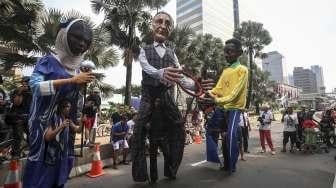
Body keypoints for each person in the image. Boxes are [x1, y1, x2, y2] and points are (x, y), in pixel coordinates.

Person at [22, 19, 94, 188]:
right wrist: (72, 80)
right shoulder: (47, 61)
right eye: (77, 37)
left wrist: (80, 85)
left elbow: (72, 99)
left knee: (61, 163)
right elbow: (35, 87)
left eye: (86, 41)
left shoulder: (77, 70)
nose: (82, 43)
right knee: (41, 163)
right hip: (42, 124)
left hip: (64, 127)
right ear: (64, 35)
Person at [132, 11, 190, 183]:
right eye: (159, 21)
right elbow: (146, 68)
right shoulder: (144, 50)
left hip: (166, 98)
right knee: (138, 130)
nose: (163, 26)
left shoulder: (173, 53)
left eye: (167, 23)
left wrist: (197, 86)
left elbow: (181, 78)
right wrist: (161, 73)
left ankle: (171, 168)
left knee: (179, 128)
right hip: (149, 96)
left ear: (170, 29)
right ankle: (141, 173)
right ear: (152, 25)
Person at [204, 38, 248, 173]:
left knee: (230, 135)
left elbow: (235, 94)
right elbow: (218, 89)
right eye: (225, 51)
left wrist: (216, 101)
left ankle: (231, 165)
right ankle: (218, 160)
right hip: (222, 108)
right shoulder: (226, 70)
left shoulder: (243, 70)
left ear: (239, 53)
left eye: (230, 51)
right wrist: (207, 93)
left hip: (234, 109)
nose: (226, 54)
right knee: (210, 129)